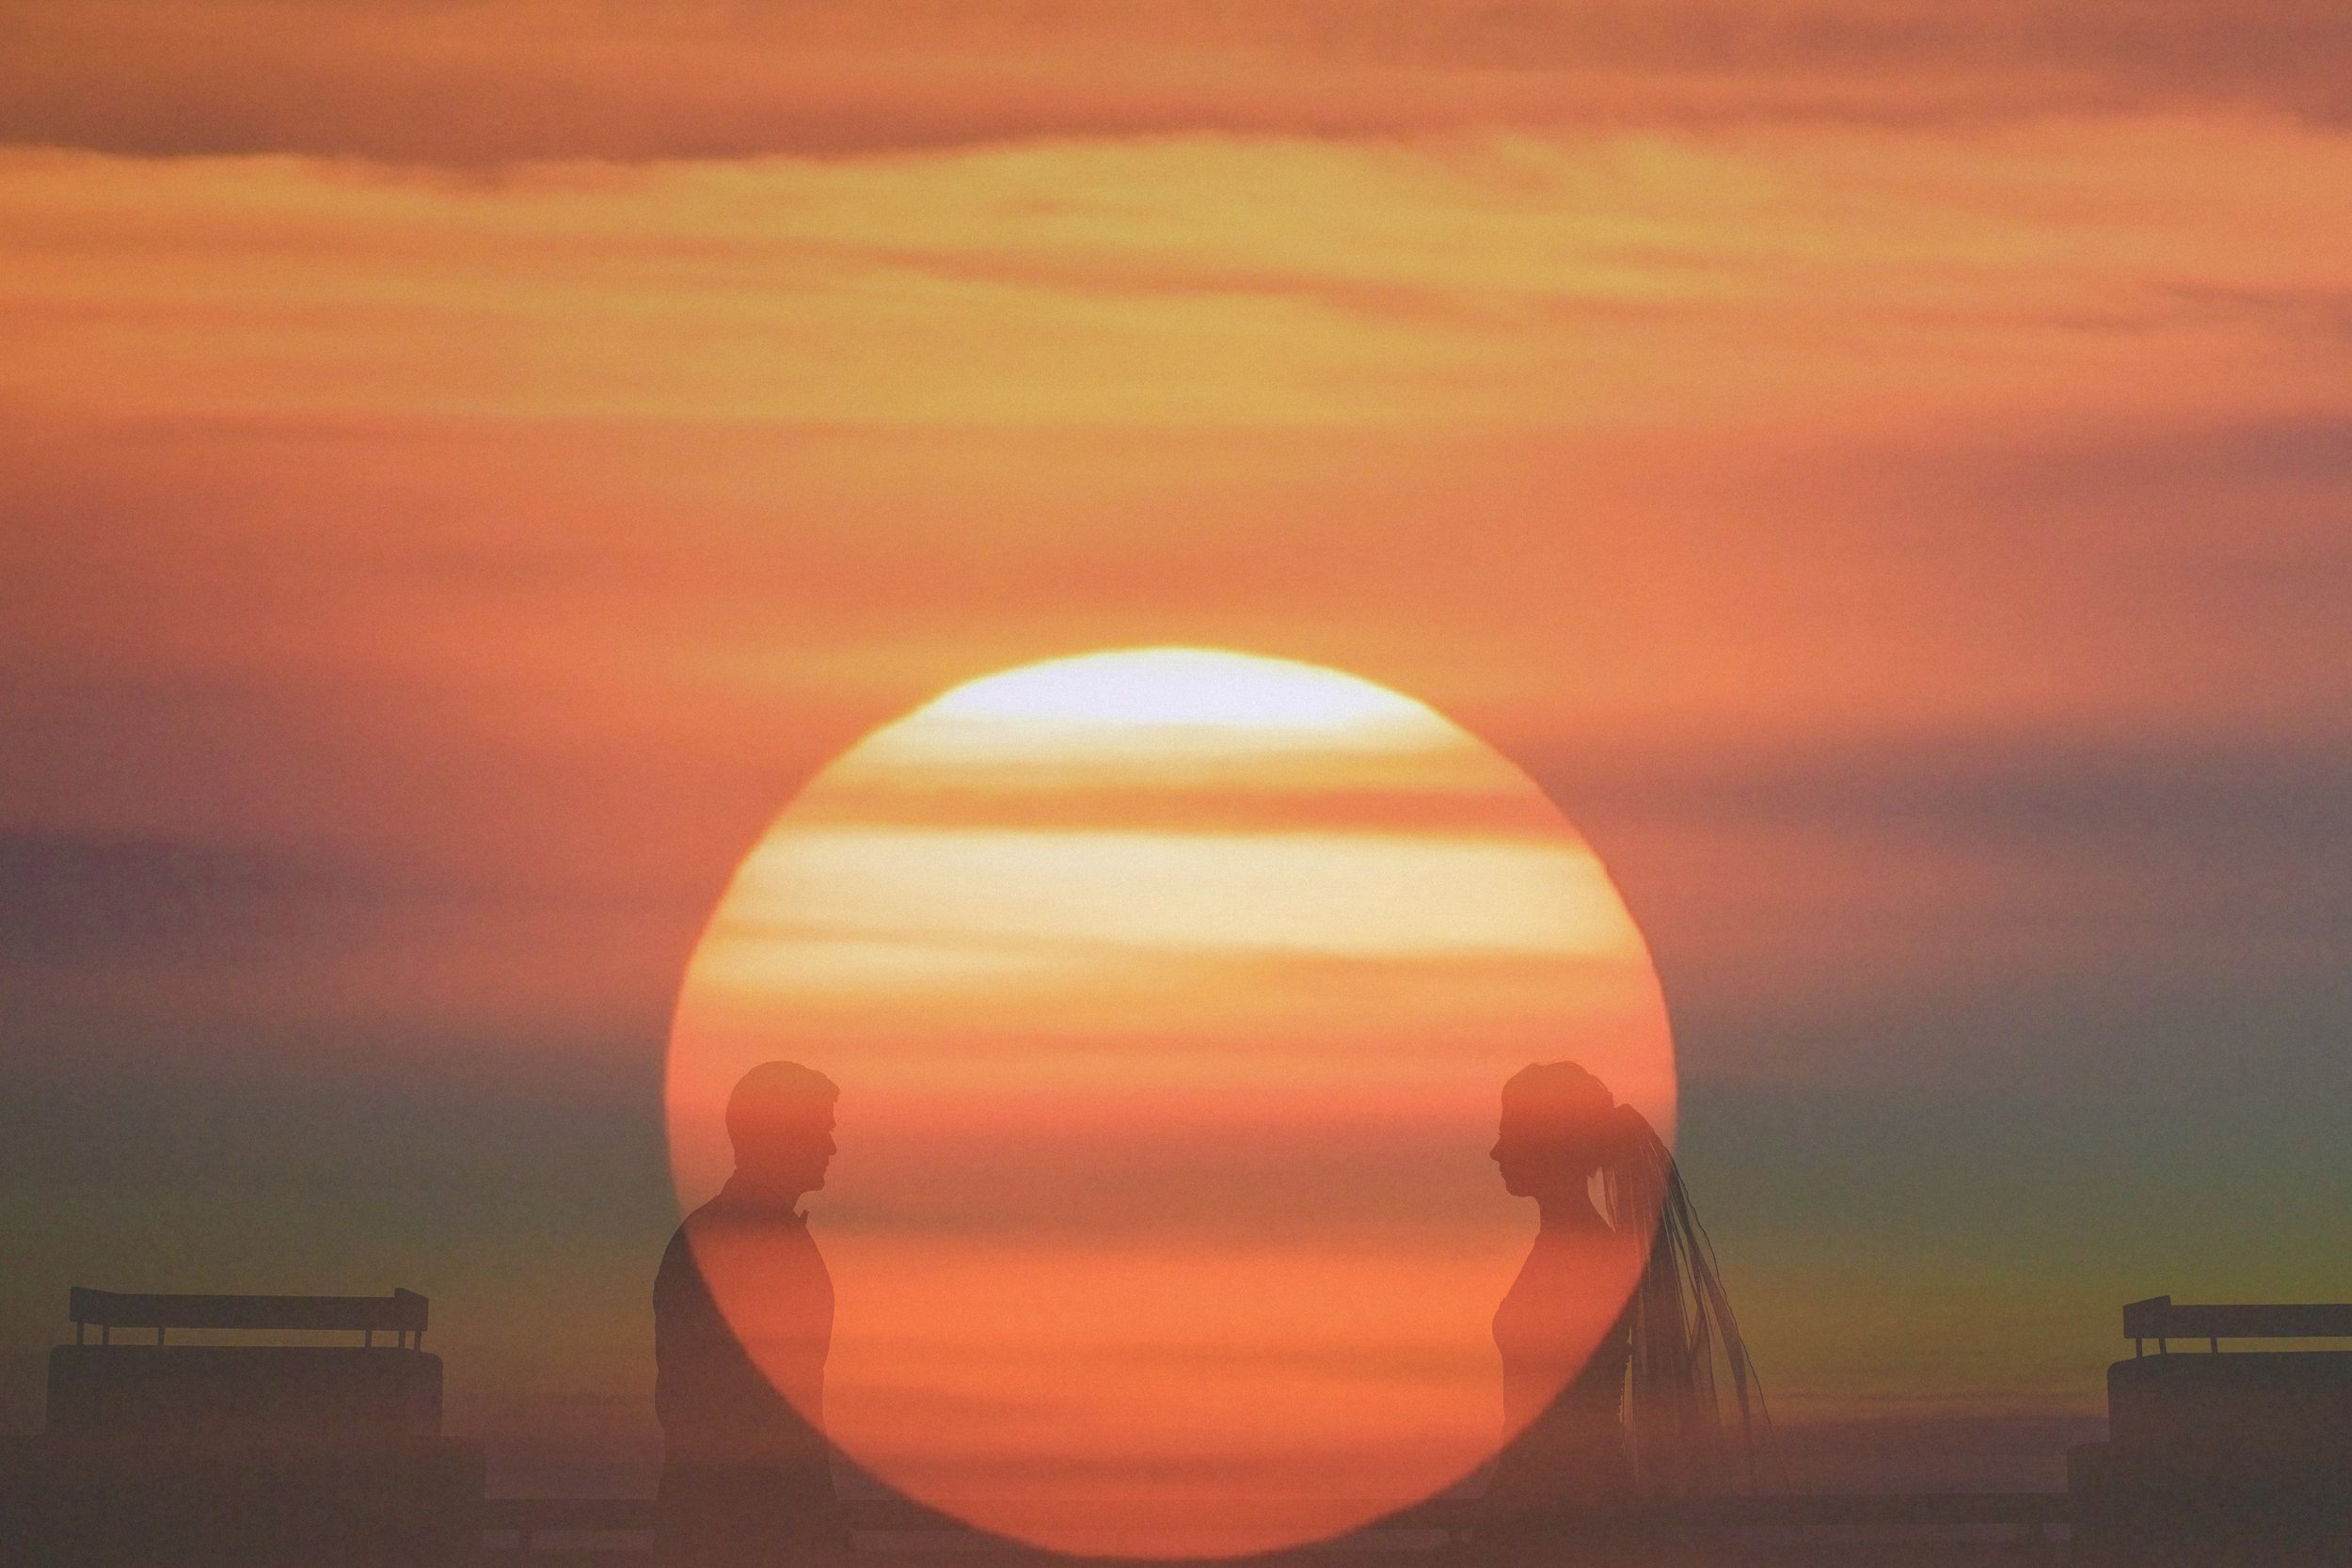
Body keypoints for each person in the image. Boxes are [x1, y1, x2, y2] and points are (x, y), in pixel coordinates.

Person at [1485, 1061, 1764, 1525]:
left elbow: (1560, 1416)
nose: (1496, 1152)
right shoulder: (1575, 1248)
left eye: (1509, 1133)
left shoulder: (1585, 1258)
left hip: (1565, 1504)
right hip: (1547, 1495)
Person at [654, 1061, 847, 1568]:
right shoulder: (747, 1244)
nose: (831, 1147)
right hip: (751, 1529)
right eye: (821, 1130)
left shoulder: (716, 1238)